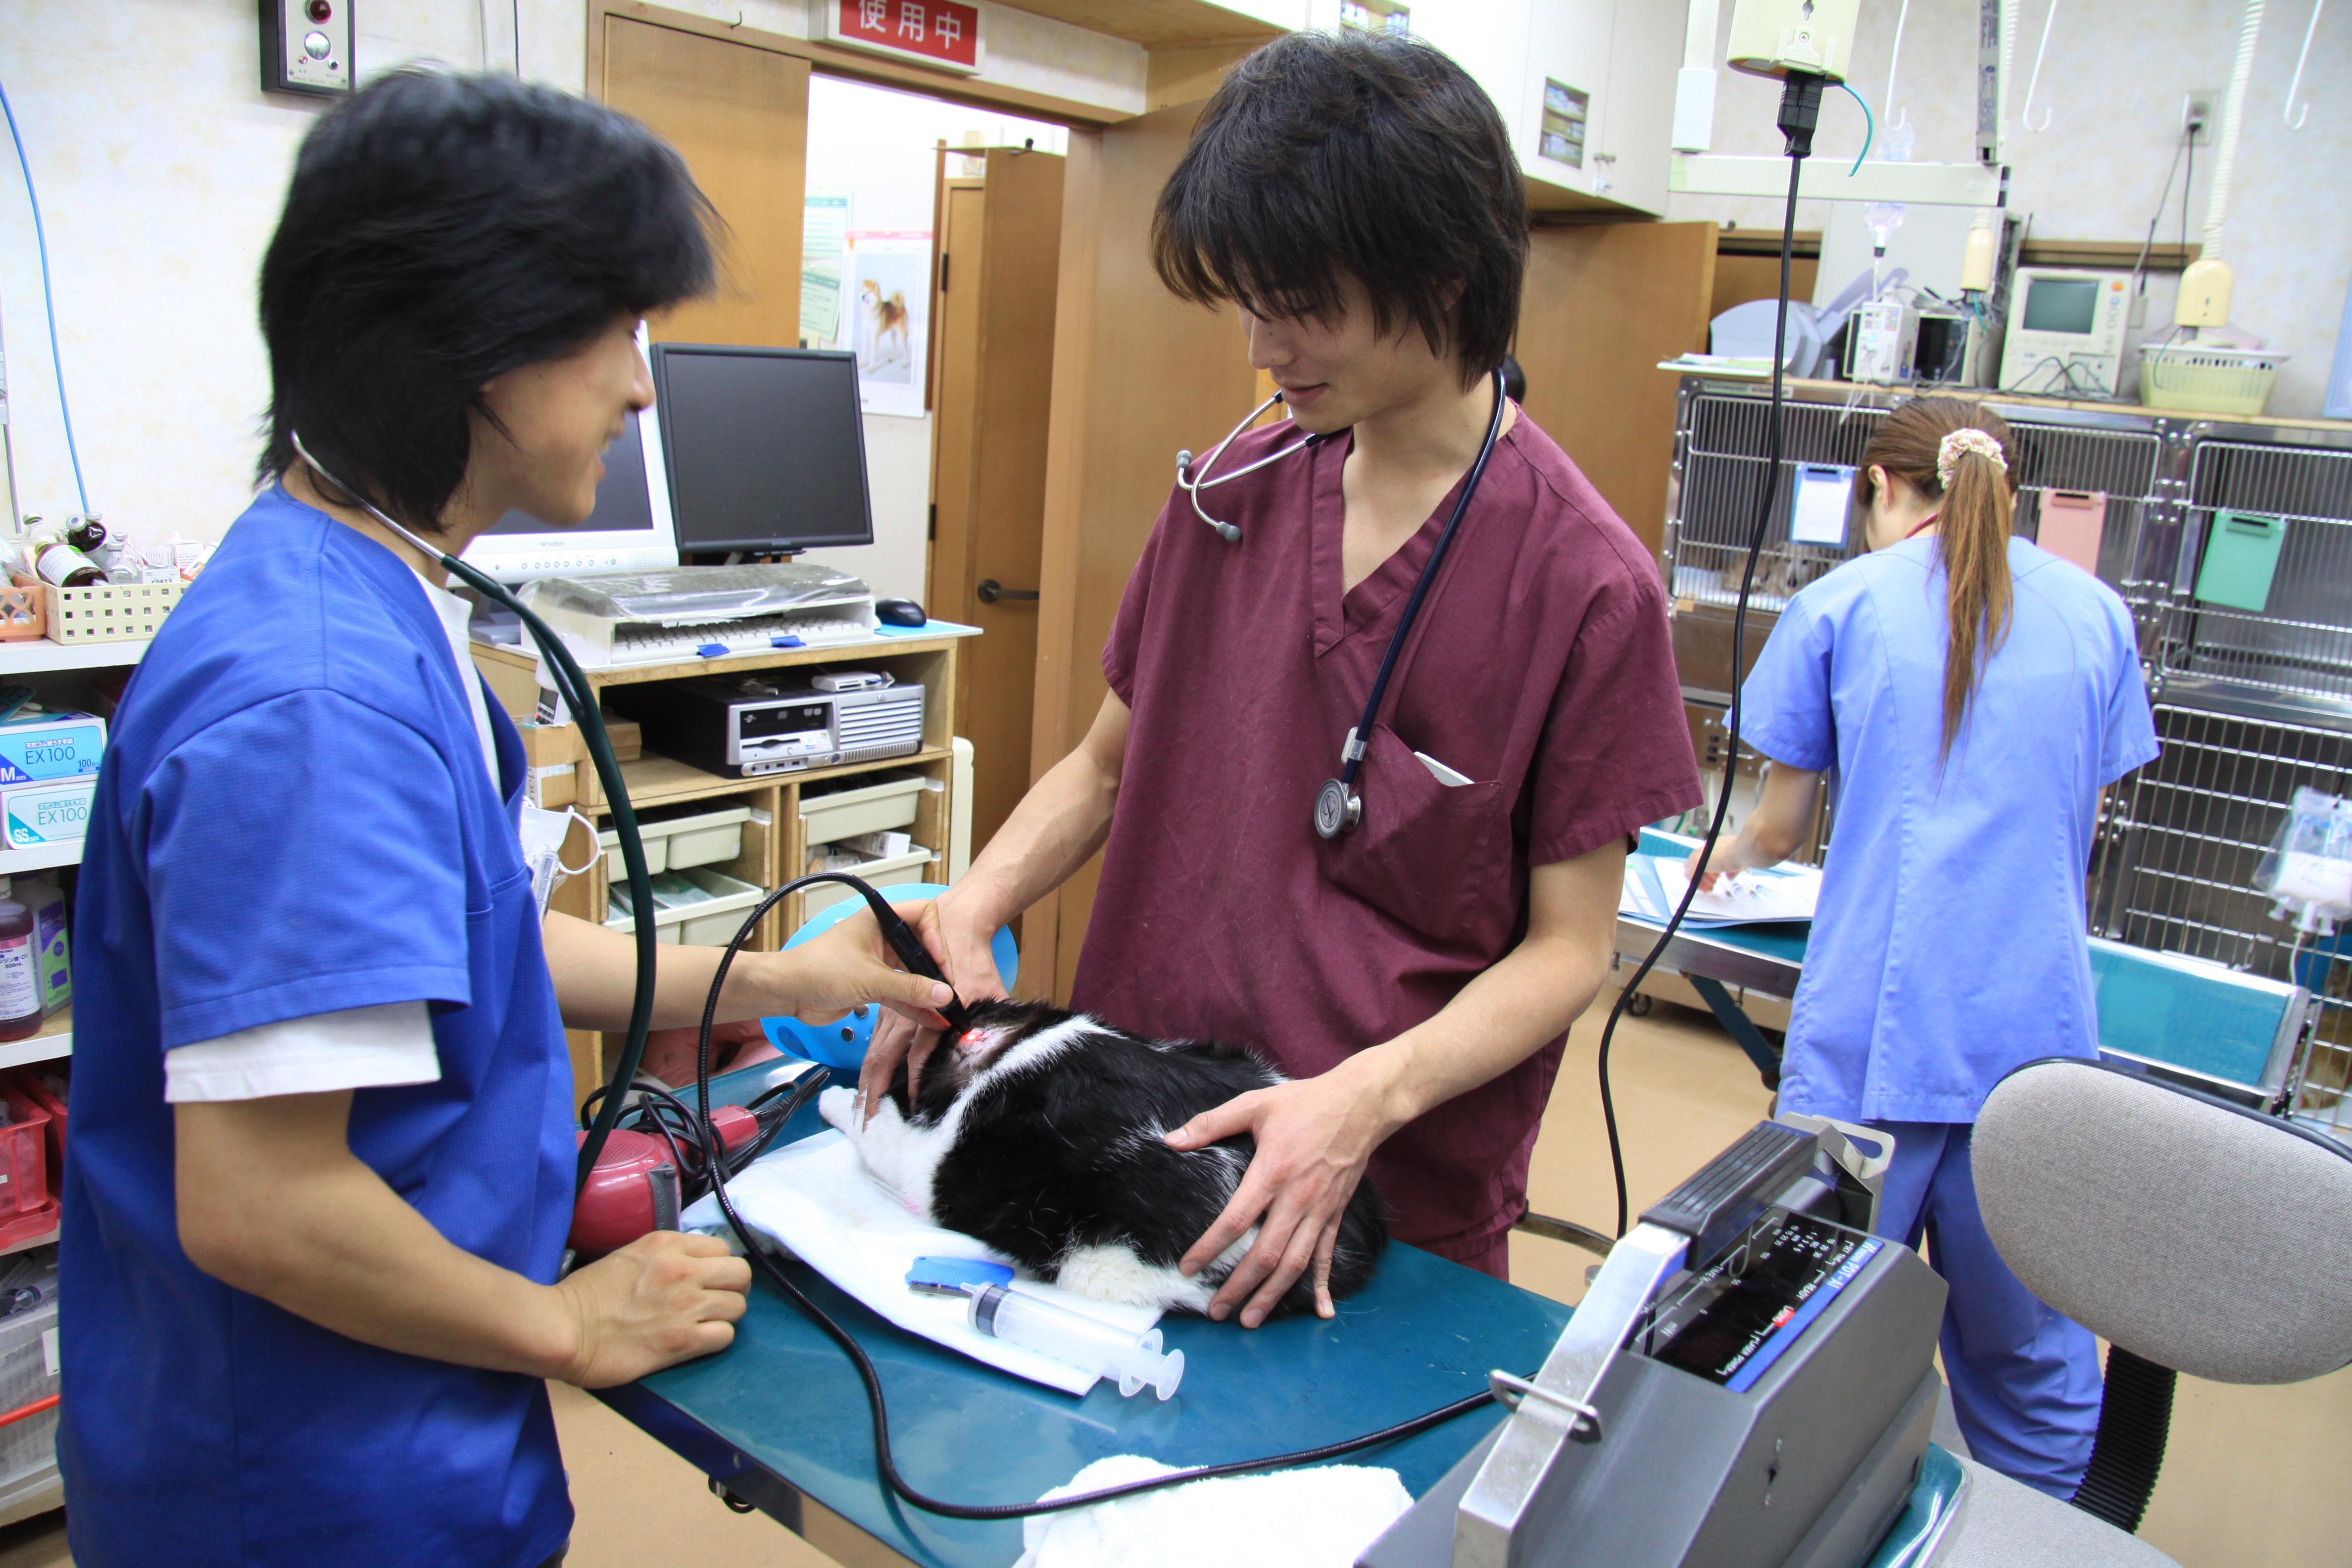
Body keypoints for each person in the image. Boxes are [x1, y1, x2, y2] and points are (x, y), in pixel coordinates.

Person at [61, 72, 956, 1568]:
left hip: (404, 1418)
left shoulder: (370, 596)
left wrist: (793, 983)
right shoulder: (315, 706)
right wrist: (567, 1322)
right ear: (476, 346)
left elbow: (486, 950)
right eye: (619, 329)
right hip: (304, 1488)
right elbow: (263, 1207)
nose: (642, 388)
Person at [864, 30, 1702, 1326]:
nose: (1262, 347)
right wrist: (972, 905)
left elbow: (1568, 950)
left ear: (1447, 273)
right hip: (1133, 1167)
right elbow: (1103, 764)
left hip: (1376, 1220)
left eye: (1299, 305)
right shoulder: (1230, 497)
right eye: (1247, 302)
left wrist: (1359, 1101)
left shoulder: (1582, 586)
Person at [1692, 396, 2158, 1496]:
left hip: (1871, 1055)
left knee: (1802, 1334)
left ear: (1877, 486)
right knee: (2032, 1358)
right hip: (2031, 1053)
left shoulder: (1842, 605)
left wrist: (1722, 864)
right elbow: (2067, 826)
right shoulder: (2097, 616)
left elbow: (1777, 827)